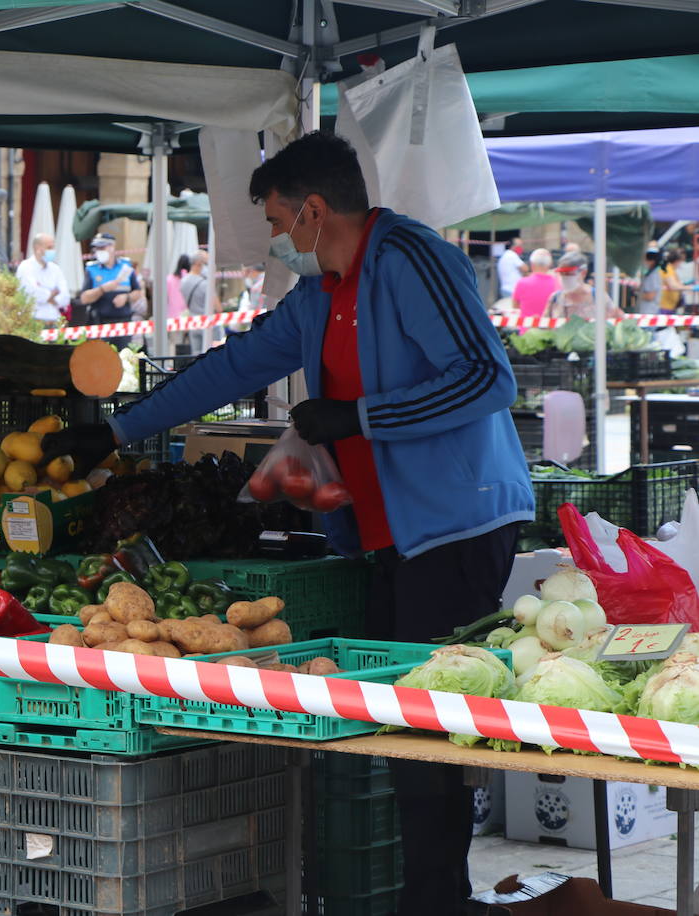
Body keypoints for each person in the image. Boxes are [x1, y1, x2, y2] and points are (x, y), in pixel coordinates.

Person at [41, 131, 534, 916]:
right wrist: (117, 431)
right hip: (387, 536)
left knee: (424, 732)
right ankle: (433, 896)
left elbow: (486, 379)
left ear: (313, 210)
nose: (274, 237)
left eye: (276, 220)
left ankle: (435, 901)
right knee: (400, 729)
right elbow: (234, 364)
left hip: (457, 526)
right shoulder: (320, 295)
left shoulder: (411, 260)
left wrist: (359, 416)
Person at [79, 233, 142, 347]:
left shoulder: (126, 266)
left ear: (112, 247)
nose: (99, 251)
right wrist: (102, 289)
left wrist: (126, 297)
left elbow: (138, 292)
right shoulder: (92, 269)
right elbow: (84, 299)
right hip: (100, 323)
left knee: (123, 355)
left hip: (123, 324)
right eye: (97, 248)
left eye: (102, 247)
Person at [546, 251, 623, 321]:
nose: (565, 277)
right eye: (562, 274)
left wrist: (615, 316)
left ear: (583, 273)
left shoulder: (598, 297)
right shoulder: (555, 299)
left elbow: (618, 318)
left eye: (569, 273)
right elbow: (544, 324)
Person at [16, 232, 71, 327]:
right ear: (38, 248)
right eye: (49, 248)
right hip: (33, 322)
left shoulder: (55, 269)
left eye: (53, 247)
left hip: (55, 321)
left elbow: (65, 297)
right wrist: (53, 294)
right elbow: (34, 294)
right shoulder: (25, 267)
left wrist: (46, 295)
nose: (52, 251)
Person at [512, 248, 560, 323]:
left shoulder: (522, 283)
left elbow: (515, 306)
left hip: (526, 328)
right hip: (549, 328)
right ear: (549, 265)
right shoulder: (557, 284)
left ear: (532, 264)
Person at [179, 249, 212, 353]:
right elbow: (217, 306)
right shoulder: (205, 283)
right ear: (198, 264)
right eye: (205, 263)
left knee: (196, 354)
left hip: (193, 322)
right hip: (207, 322)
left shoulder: (183, 281)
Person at [637, 247, 664, 315]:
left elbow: (650, 296)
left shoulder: (653, 276)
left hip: (649, 311)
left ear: (652, 261)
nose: (644, 262)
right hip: (648, 310)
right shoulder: (651, 274)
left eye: (646, 260)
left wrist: (636, 294)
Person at [661, 249, 684, 315]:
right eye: (680, 261)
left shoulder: (672, 270)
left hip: (670, 306)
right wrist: (691, 287)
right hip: (664, 307)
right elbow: (673, 286)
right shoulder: (667, 269)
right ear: (677, 261)